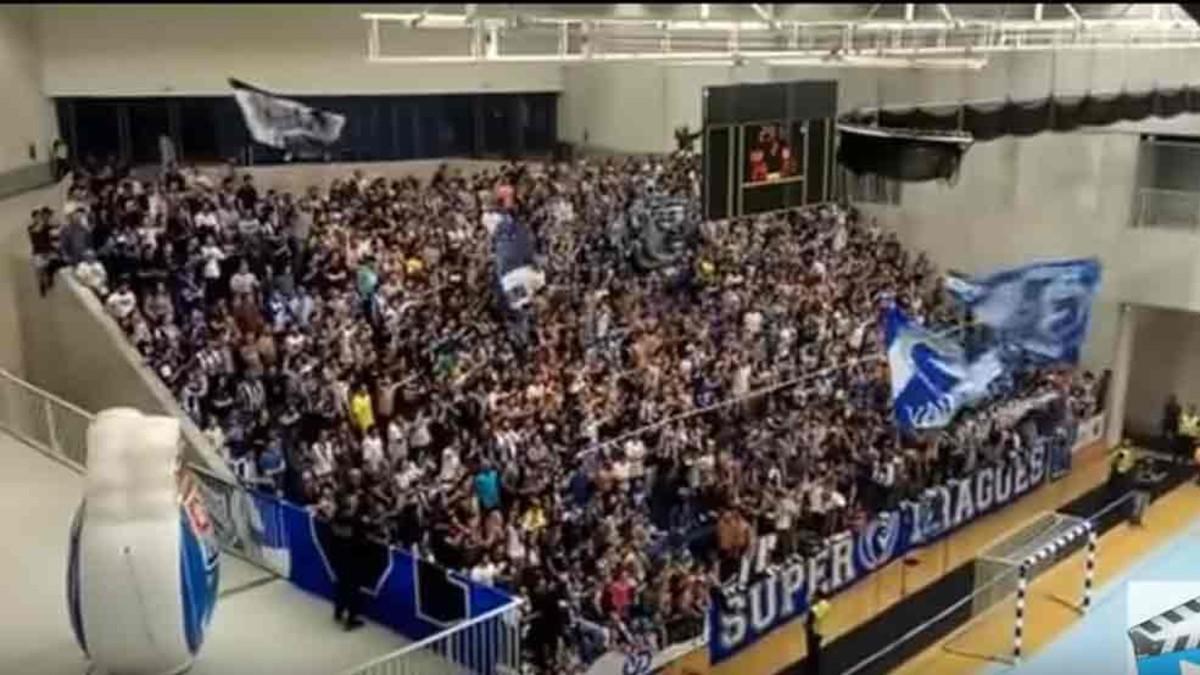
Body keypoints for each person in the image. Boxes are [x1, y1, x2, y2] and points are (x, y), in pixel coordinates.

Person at [329, 492, 367, 630]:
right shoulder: (355, 521)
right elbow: (362, 540)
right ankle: (351, 620)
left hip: (339, 557)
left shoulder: (335, 517)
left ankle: (338, 611)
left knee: (341, 586)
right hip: (353, 559)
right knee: (353, 589)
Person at [805, 589, 832, 675]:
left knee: (813, 653)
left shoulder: (821, 606)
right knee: (813, 653)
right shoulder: (825, 604)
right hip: (818, 631)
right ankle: (813, 669)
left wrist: (807, 626)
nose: (813, 598)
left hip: (815, 632)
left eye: (814, 596)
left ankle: (813, 671)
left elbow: (811, 616)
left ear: (818, 597)